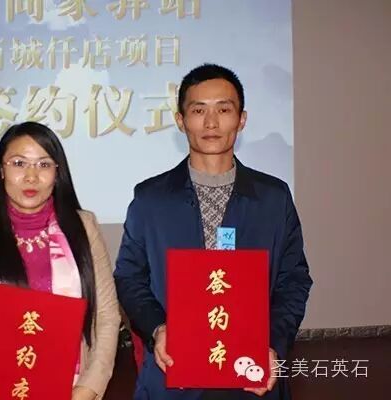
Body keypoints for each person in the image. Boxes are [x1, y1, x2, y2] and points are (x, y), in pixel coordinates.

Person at [114, 64, 313, 399]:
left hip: (250, 374)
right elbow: (129, 277)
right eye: (198, 110)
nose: (211, 122)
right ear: (180, 121)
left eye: (223, 109)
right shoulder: (150, 199)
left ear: (242, 119)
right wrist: (158, 329)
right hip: (173, 374)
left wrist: (272, 344)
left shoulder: (273, 198)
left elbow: (293, 280)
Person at [0, 121, 120, 400]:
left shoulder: (84, 226)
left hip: (71, 387)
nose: (31, 176)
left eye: (44, 165)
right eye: (19, 163)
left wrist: (90, 386)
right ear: (1, 170)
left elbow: (107, 316)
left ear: (58, 172)